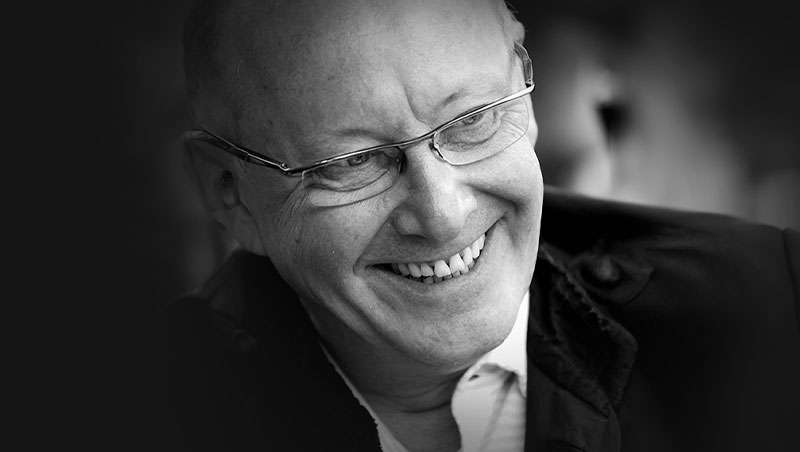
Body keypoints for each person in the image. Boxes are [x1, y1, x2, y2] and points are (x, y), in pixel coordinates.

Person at [168, 1, 800, 451]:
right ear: (229, 192)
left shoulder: (774, 313)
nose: (443, 215)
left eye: (471, 120)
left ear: (523, 92)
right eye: (353, 161)